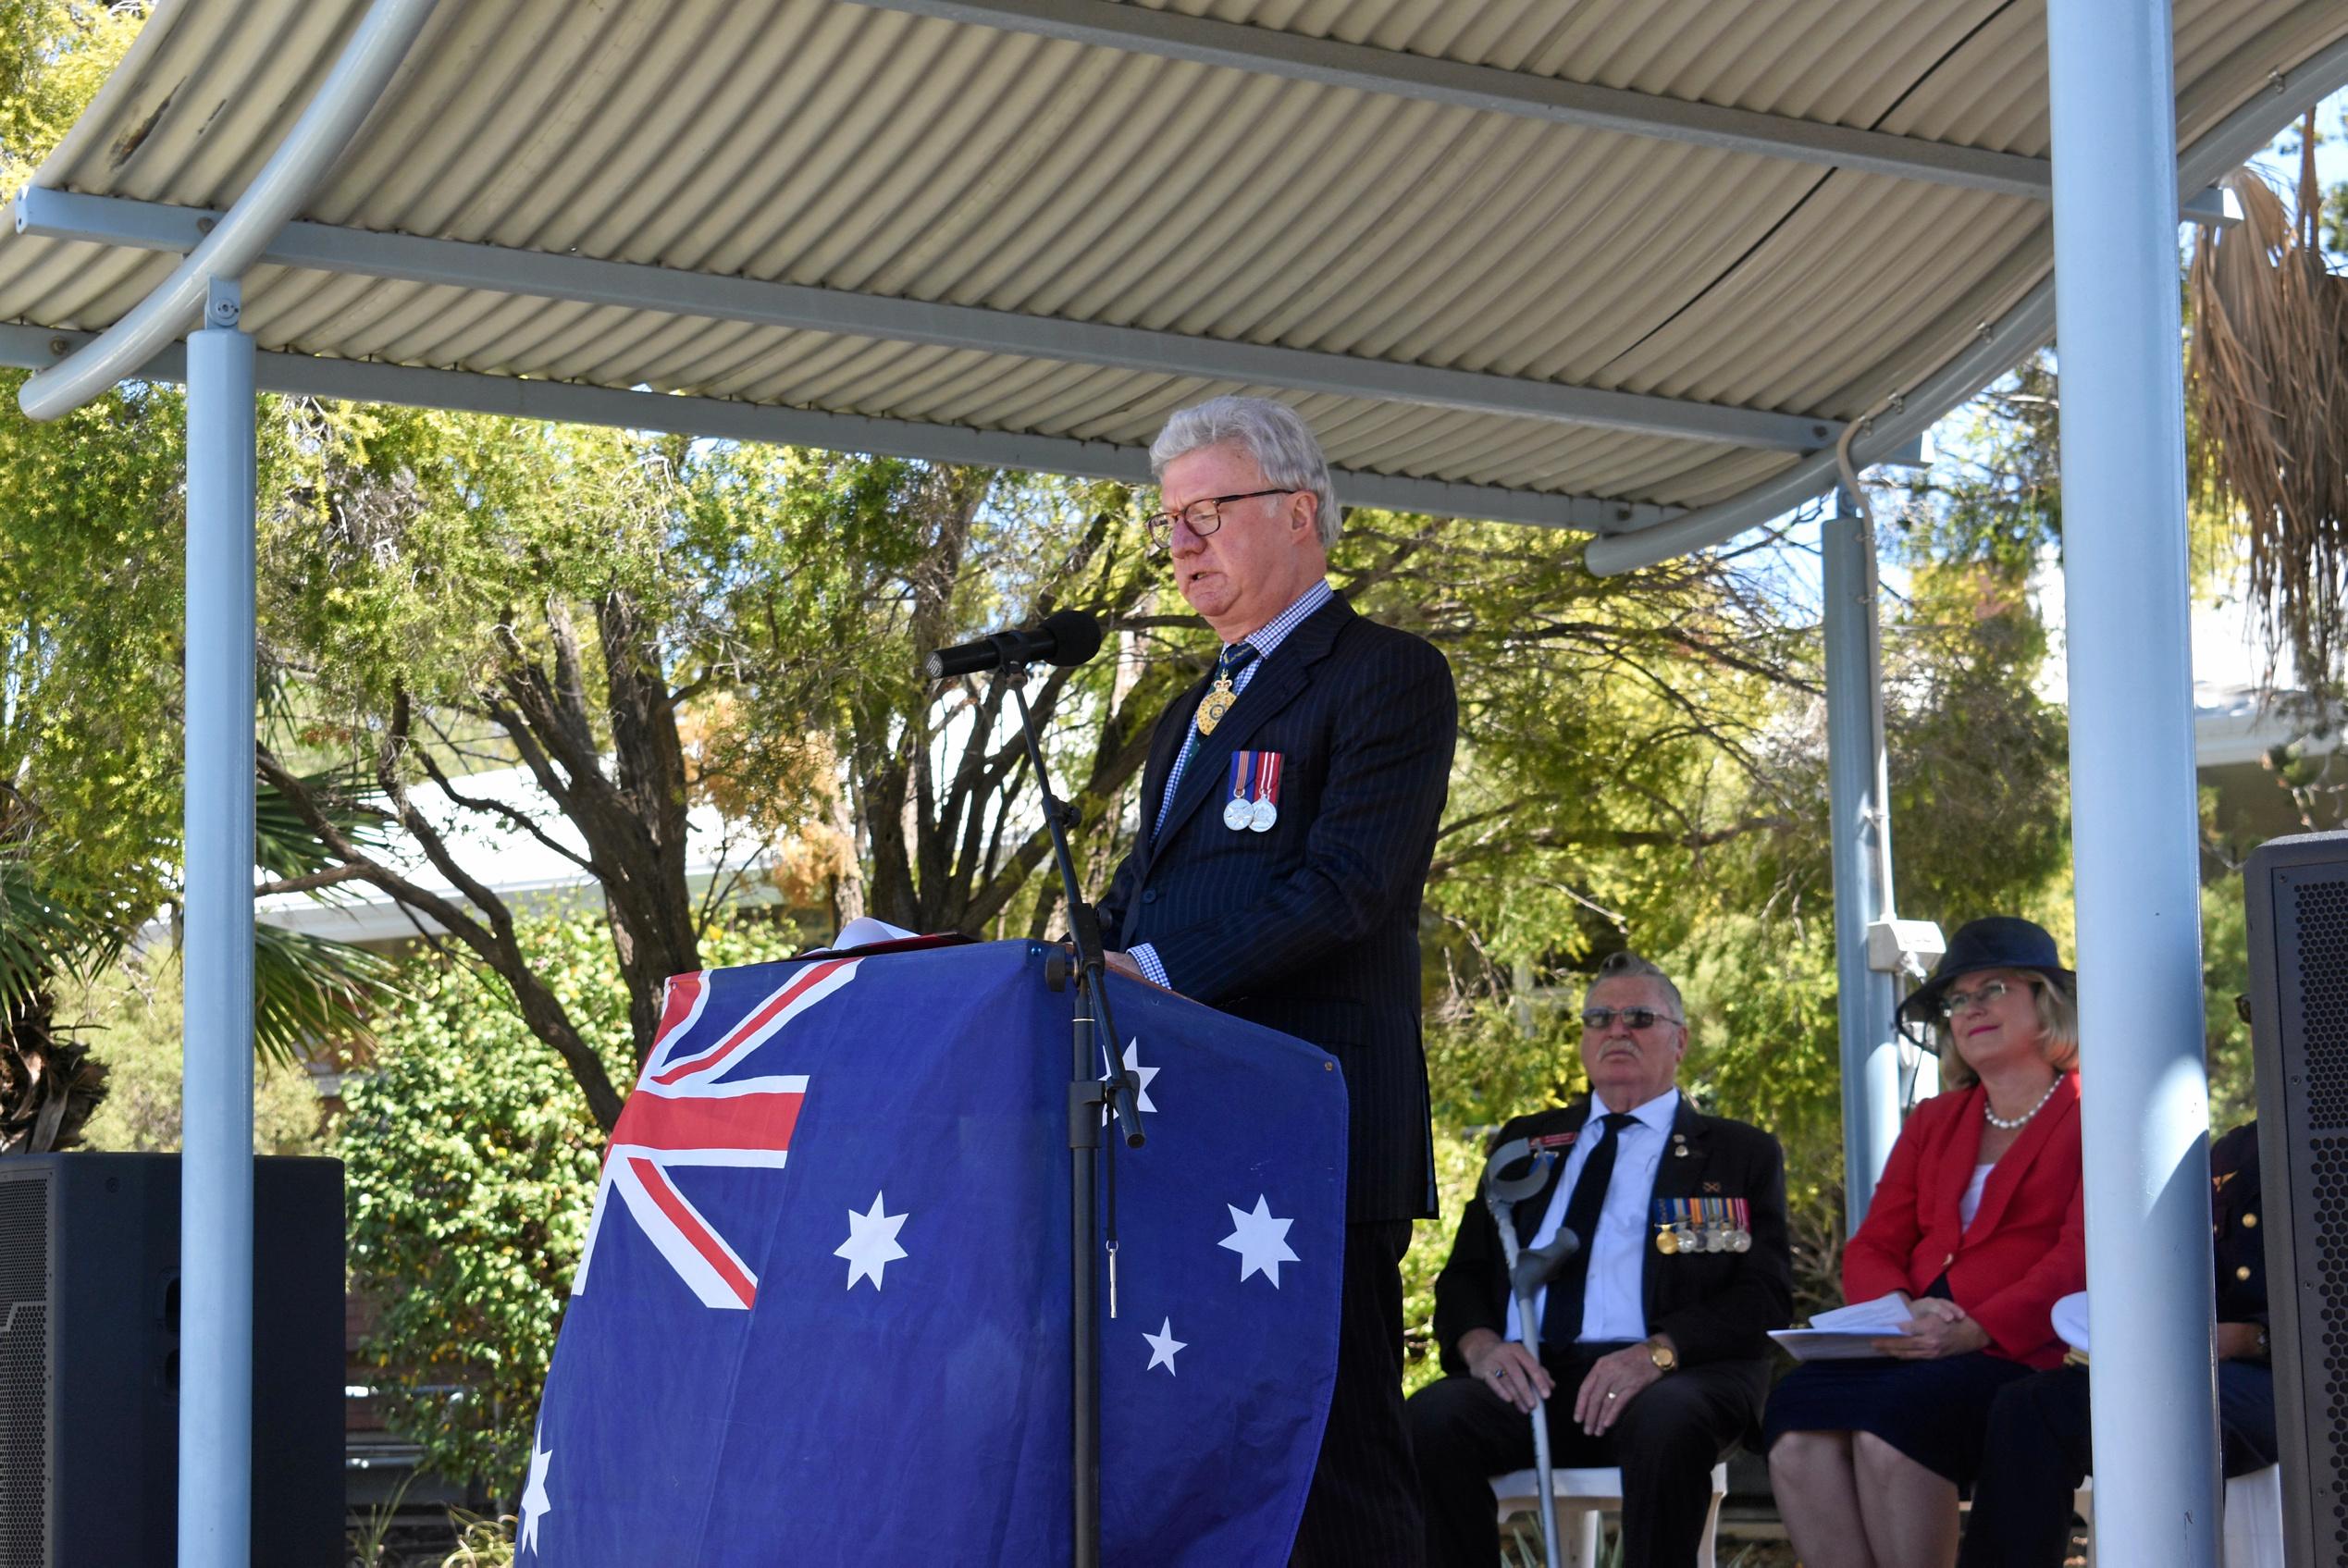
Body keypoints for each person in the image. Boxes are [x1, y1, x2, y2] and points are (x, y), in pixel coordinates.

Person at [1095, 394, 1458, 1563]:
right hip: (1187, 1140)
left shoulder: (1386, 676)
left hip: (1314, 1136)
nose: (1183, 544)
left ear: (1301, 514)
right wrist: (1060, 969)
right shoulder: (1184, 714)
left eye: (1209, 513)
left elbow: (1346, 886)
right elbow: (1142, 899)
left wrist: (1146, 971)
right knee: (1222, 1465)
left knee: (1336, 1467)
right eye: (1172, 523)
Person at [1407, 952, 1793, 1568]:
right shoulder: (1526, 1142)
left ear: (1680, 1040)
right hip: (1533, 1378)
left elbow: (1764, 1294)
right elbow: (1465, 1275)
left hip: (1671, 1375)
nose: (1617, 1029)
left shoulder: (1737, 1153)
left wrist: (1658, 1353)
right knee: (1431, 1420)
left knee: (1669, 1420)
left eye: (1639, 1016)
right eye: (1599, 1017)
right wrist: (1482, 1348)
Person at [1765, 916, 2086, 1568]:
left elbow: (2078, 1257)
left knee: (1892, 1427)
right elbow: (1873, 1243)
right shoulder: (1935, 1119)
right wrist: (1897, 1310)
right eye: (1956, 999)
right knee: (1796, 1420)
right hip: (1909, 1337)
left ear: (2045, 1001)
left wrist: (1976, 1328)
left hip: (2019, 1354)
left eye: (1991, 989)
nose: (1970, 1010)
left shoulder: (2092, 1110)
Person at [1958, 1108, 2274, 1566]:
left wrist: (2251, 1339)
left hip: (2299, 1378)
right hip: (2200, 1364)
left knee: (2170, 1411)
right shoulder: (2232, 1149)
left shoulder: (2315, 1143)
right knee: (2029, 1405)